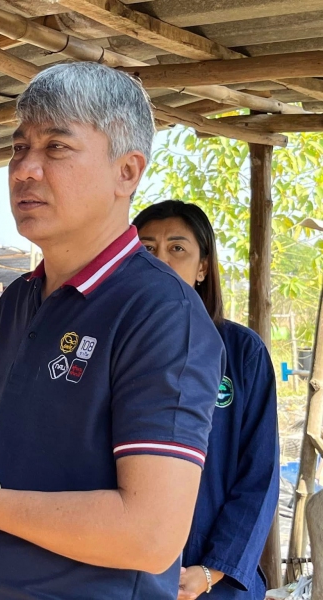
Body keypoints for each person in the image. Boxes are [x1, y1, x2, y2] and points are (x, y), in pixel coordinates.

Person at [0, 61, 225, 599]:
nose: (24, 170)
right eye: (19, 148)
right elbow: (5, 450)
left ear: (127, 172)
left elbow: (149, 534)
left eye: (56, 147)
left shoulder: (161, 313)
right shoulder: (17, 300)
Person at [133, 200, 279, 600]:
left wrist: (212, 570)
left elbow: (260, 473)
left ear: (202, 268)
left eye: (177, 248)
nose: (160, 260)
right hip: (125, 572)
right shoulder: (114, 348)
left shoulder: (242, 352)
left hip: (214, 581)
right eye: (147, 249)